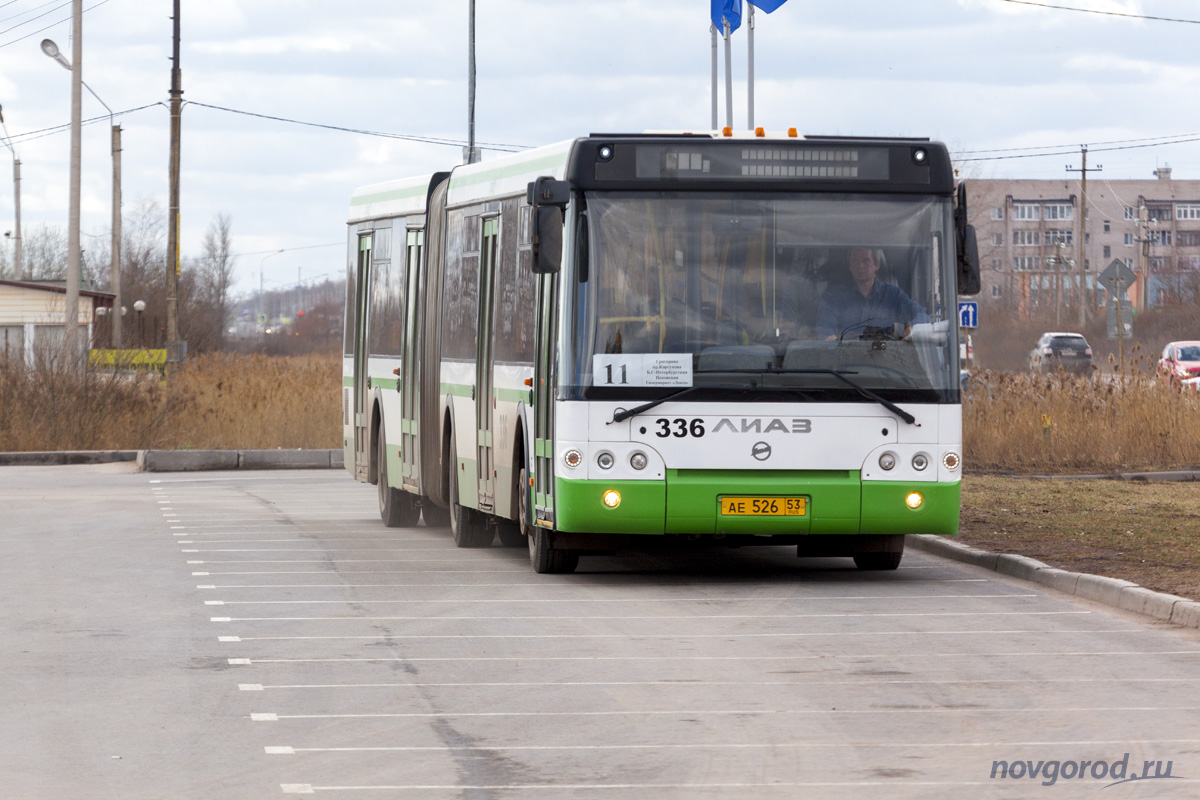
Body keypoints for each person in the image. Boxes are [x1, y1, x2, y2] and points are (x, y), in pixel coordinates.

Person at [816, 247, 929, 340]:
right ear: (850, 266)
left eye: (865, 261)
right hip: (846, 362)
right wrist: (830, 339)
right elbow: (824, 328)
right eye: (855, 261)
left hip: (885, 362)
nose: (860, 266)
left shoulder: (893, 295)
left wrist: (912, 332)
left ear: (877, 265)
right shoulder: (834, 297)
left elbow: (921, 315)